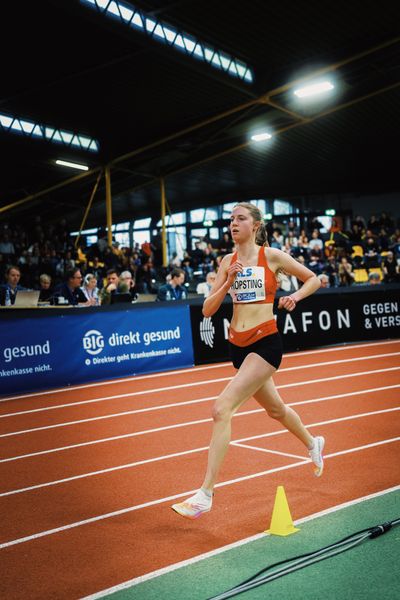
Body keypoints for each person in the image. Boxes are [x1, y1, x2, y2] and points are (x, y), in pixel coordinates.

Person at [172, 202, 323, 519]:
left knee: (221, 408)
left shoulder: (273, 256)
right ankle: (313, 443)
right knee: (275, 409)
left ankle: (205, 494)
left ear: (255, 225)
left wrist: (294, 297)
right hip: (237, 347)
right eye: (230, 219)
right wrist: (226, 281)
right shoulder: (227, 260)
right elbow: (207, 309)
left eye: (240, 218)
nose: (233, 223)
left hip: (266, 343)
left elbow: (313, 278)